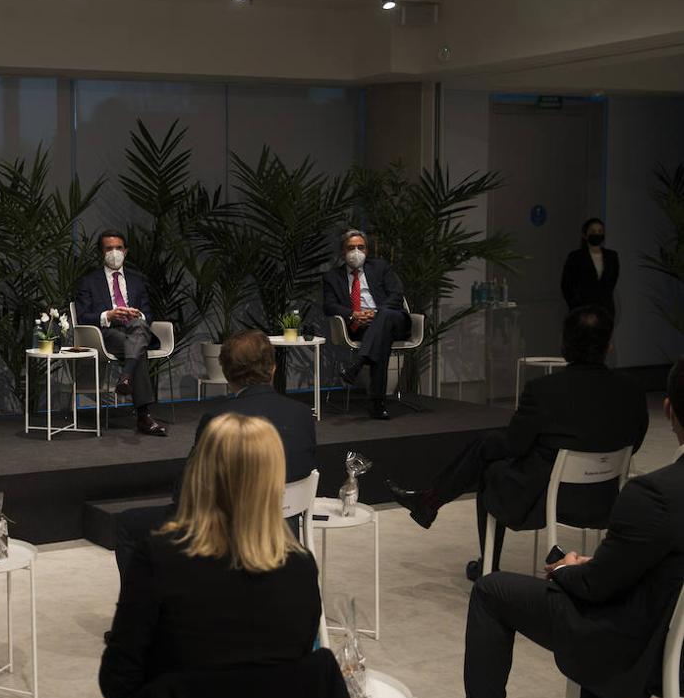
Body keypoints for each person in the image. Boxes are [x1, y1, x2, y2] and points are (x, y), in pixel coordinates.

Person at [453, 356, 684, 698]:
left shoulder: (655, 495)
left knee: (490, 590)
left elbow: (598, 587)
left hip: (640, 642)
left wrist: (567, 569)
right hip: (674, 635)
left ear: (669, 410)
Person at [82, 412, 322, 698]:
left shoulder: (157, 558)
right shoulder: (302, 569)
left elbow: (117, 681)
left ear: (199, 472)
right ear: (274, 479)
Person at [387, 305, 648, 580]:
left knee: (489, 464)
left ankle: (481, 558)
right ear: (609, 345)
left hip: (543, 499)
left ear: (564, 343)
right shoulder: (631, 389)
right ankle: (429, 501)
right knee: (487, 445)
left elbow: (515, 446)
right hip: (605, 498)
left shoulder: (545, 391)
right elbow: (637, 441)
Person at [111, 329, 317, 573]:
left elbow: (188, 489)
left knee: (128, 525)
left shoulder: (220, 419)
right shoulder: (303, 414)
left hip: (228, 530)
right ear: (273, 369)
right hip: (286, 526)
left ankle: (154, 608)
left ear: (227, 374)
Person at [73, 230, 167, 437]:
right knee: (136, 345)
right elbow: (82, 316)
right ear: (101, 252)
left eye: (118, 248)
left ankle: (126, 378)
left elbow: (148, 314)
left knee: (139, 328)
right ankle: (144, 416)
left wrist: (137, 314)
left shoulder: (137, 281)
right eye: (109, 248)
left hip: (135, 329)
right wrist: (109, 314)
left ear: (126, 251)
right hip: (107, 334)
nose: (114, 252)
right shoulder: (89, 281)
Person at [321, 229, 412, 421]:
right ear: (342, 252)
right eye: (351, 248)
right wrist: (352, 314)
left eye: (360, 247)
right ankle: (377, 405)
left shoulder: (380, 267)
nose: (356, 252)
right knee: (381, 340)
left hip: (395, 321)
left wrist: (376, 313)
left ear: (367, 250)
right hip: (362, 327)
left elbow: (396, 295)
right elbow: (329, 306)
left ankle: (358, 363)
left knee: (384, 316)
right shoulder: (332, 277)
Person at [560, 216, 619, 318]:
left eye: (600, 231)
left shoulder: (612, 256)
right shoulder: (575, 257)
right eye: (593, 231)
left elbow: (612, 281)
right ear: (585, 235)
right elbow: (566, 285)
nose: (597, 234)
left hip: (605, 310)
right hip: (582, 310)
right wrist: (576, 306)